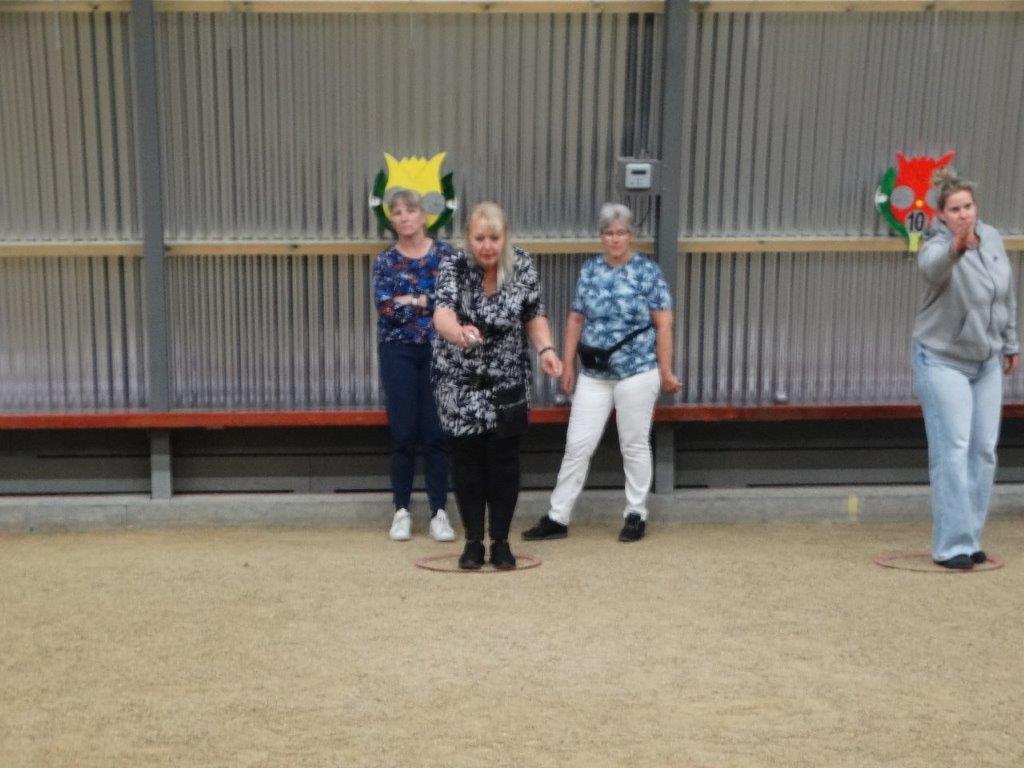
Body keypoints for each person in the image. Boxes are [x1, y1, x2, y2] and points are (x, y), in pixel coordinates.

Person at [523, 203, 682, 544]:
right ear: (601, 236)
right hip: (594, 372)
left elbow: (664, 324)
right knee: (577, 444)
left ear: (631, 236)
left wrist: (666, 370)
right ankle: (557, 516)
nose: (615, 239)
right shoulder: (590, 270)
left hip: (637, 370)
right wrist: (568, 364)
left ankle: (636, 513)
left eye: (621, 233)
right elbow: (576, 318)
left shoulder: (648, 272)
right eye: (609, 233)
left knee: (634, 443)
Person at [433, 202, 563, 570]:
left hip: (508, 381)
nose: (487, 246)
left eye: (494, 238)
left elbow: (533, 314)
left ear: (505, 237)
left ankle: (502, 541)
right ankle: (473, 542)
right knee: (467, 464)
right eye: (480, 238)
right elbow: (441, 313)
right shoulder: (453, 265)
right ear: (468, 238)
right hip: (459, 381)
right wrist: (458, 333)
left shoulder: (522, 265)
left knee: (504, 464)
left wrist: (547, 350)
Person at [912, 168, 1018, 569]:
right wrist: (957, 247)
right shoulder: (936, 245)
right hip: (942, 359)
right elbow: (932, 268)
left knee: (983, 451)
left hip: (986, 361)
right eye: (955, 209)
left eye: (968, 206)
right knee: (952, 449)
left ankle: (970, 537)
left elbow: (1005, 294)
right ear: (942, 215)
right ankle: (951, 545)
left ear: (977, 207)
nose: (964, 214)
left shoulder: (992, 238)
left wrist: (1010, 342)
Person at [372, 189, 456, 542]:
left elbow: (452, 302)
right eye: (397, 212)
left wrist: (410, 298)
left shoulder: (447, 256)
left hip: (440, 350)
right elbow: (386, 310)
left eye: (411, 210)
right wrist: (424, 301)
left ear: (424, 215)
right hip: (397, 351)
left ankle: (439, 511)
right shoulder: (385, 262)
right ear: (391, 219)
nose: (404, 217)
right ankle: (402, 510)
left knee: (436, 434)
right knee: (403, 434)